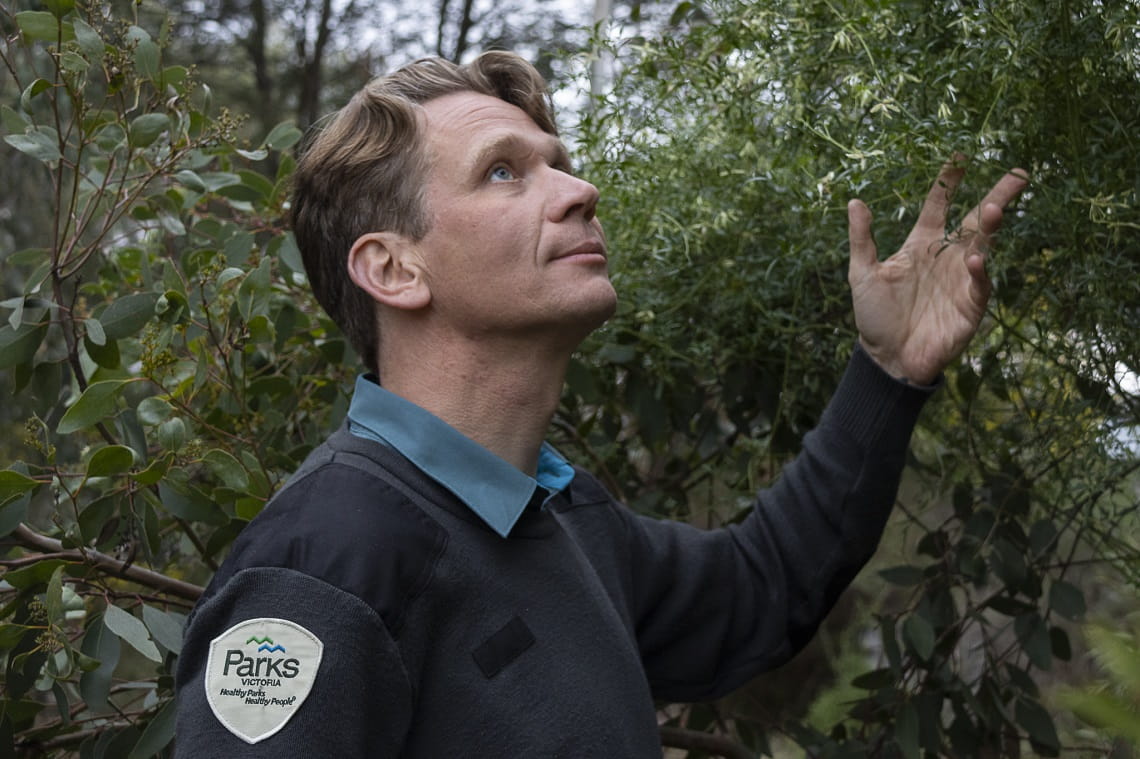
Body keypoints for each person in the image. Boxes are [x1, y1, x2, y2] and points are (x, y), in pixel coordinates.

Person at [173, 51, 1026, 756]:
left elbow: (758, 589)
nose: (577, 192)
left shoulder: (564, 516)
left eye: (559, 163)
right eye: (503, 172)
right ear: (393, 269)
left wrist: (887, 370)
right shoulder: (321, 566)